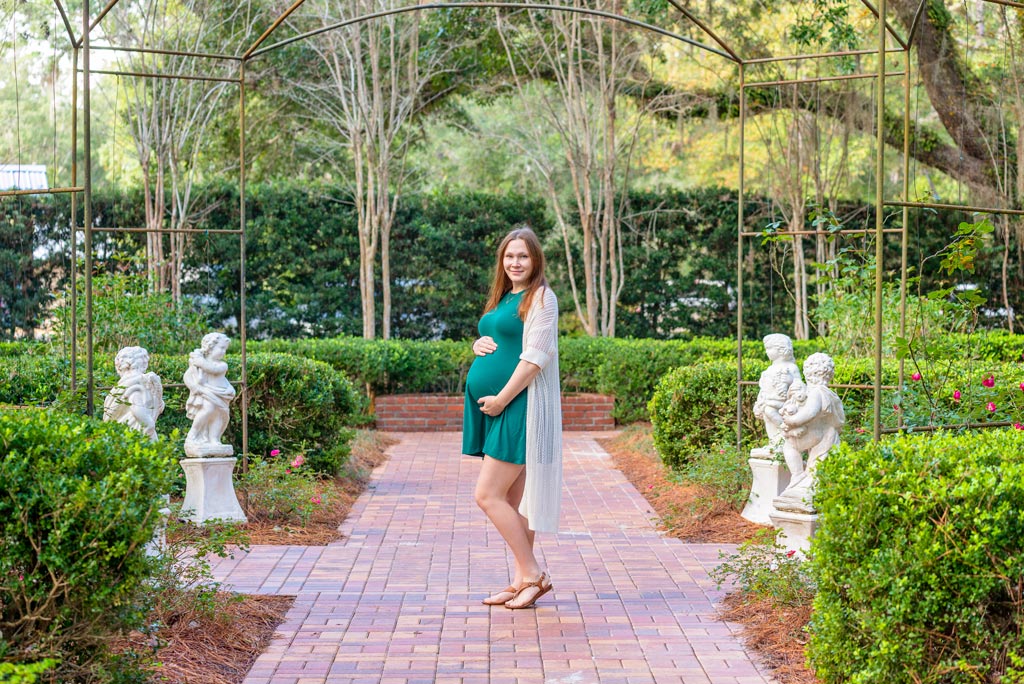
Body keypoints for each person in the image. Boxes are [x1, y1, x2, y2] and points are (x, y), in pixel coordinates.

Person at [464, 226, 562, 610]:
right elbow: (502, 339)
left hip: (518, 406)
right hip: (498, 408)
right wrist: (477, 343)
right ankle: (522, 580)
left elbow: (536, 358)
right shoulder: (505, 295)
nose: (515, 262)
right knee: (512, 501)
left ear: (535, 259)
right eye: (509, 256)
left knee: (487, 495)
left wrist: (502, 399)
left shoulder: (542, 298)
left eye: (522, 256)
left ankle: (535, 574)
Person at [183, 332, 236, 458]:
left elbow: (212, 369)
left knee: (219, 415)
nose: (223, 352)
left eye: (225, 349)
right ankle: (193, 434)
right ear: (210, 347)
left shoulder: (221, 365)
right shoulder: (198, 366)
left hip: (221, 394)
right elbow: (187, 376)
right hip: (206, 392)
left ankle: (214, 439)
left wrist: (199, 361)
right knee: (207, 409)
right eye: (221, 348)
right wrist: (194, 387)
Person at [103, 346, 165, 442]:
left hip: (127, 437)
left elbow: (140, 411)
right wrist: (149, 427)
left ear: (119, 366)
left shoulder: (128, 386)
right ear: (144, 364)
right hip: (138, 437)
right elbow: (141, 410)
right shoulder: (141, 383)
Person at [753, 333, 802, 446]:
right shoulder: (769, 369)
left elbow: (799, 385)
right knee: (767, 418)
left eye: (769, 348)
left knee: (769, 411)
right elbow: (763, 388)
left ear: (781, 349)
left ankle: (786, 434)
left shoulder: (791, 367)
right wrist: (759, 402)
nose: (766, 351)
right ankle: (774, 443)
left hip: (783, 402)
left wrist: (789, 380)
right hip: (768, 400)